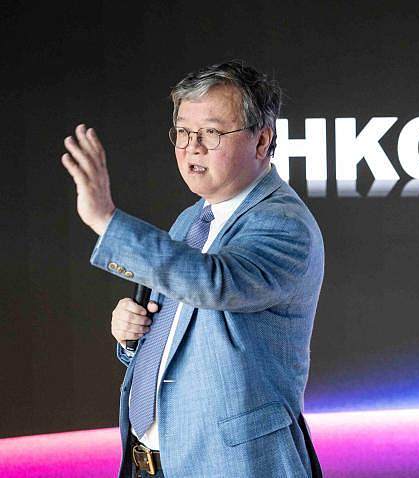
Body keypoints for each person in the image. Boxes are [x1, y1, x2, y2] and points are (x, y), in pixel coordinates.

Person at [60, 60, 324, 477]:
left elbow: (214, 282)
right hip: (148, 464)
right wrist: (133, 337)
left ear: (262, 140)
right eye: (183, 132)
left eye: (211, 133)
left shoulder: (284, 224)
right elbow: (179, 334)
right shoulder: (191, 220)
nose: (192, 147)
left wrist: (106, 220)